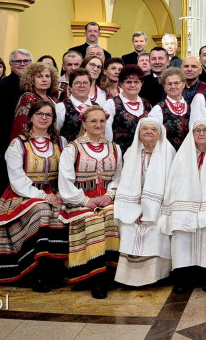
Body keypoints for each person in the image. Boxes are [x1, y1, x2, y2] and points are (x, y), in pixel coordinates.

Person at [0, 100, 68, 291]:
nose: (43, 118)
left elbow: (67, 173)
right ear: (30, 117)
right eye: (39, 114)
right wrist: (45, 197)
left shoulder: (61, 142)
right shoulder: (18, 144)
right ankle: (34, 272)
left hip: (54, 192)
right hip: (23, 194)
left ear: (53, 119)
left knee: (62, 212)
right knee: (41, 211)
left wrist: (60, 196)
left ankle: (55, 269)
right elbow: (17, 180)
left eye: (48, 115)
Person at [58, 105, 122, 298]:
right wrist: (84, 200)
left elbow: (118, 177)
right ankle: (94, 277)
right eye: (93, 121)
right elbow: (65, 181)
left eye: (102, 121)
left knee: (112, 214)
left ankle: (110, 272)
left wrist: (108, 195)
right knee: (92, 218)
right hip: (79, 201)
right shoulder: (72, 148)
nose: (98, 124)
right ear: (84, 123)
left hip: (106, 198)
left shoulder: (114, 147)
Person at [159, 120, 206, 292]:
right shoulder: (182, 155)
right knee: (181, 224)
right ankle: (182, 277)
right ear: (192, 134)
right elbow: (174, 182)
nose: (202, 133)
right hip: (185, 201)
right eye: (197, 130)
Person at [113, 119, 175, 287]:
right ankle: (128, 279)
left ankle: (154, 276)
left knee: (157, 225)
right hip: (134, 201)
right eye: (145, 129)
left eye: (153, 129)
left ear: (160, 133)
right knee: (128, 225)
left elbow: (172, 183)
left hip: (160, 202)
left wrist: (152, 206)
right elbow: (126, 182)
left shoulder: (168, 151)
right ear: (138, 133)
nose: (149, 131)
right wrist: (137, 207)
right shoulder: (131, 152)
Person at [56, 69, 114, 143]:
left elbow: (104, 133)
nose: (82, 86)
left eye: (85, 83)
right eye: (77, 83)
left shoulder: (97, 107)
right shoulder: (61, 107)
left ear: (90, 86)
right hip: (70, 152)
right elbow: (55, 134)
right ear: (70, 87)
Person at [10, 62, 58, 139]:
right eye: (39, 76)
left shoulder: (53, 99)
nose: (44, 80)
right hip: (32, 140)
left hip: (52, 139)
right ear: (31, 79)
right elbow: (21, 125)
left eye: (47, 76)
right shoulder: (28, 97)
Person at [147, 67, 190, 149]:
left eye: (177, 83)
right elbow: (152, 137)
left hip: (188, 156)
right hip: (166, 156)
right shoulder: (158, 109)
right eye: (169, 84)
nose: (173, 87)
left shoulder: (190, 107)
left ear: (183, 84)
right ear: (164, 87)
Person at [109, 65, 150, 151]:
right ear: (121, 84)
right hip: (120, 154)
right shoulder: (111, 104)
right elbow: (107, 132)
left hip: (144, 154)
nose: (132, 85)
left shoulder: (147, 104)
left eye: (136, 82)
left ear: (141, 83)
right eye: (128, 82)